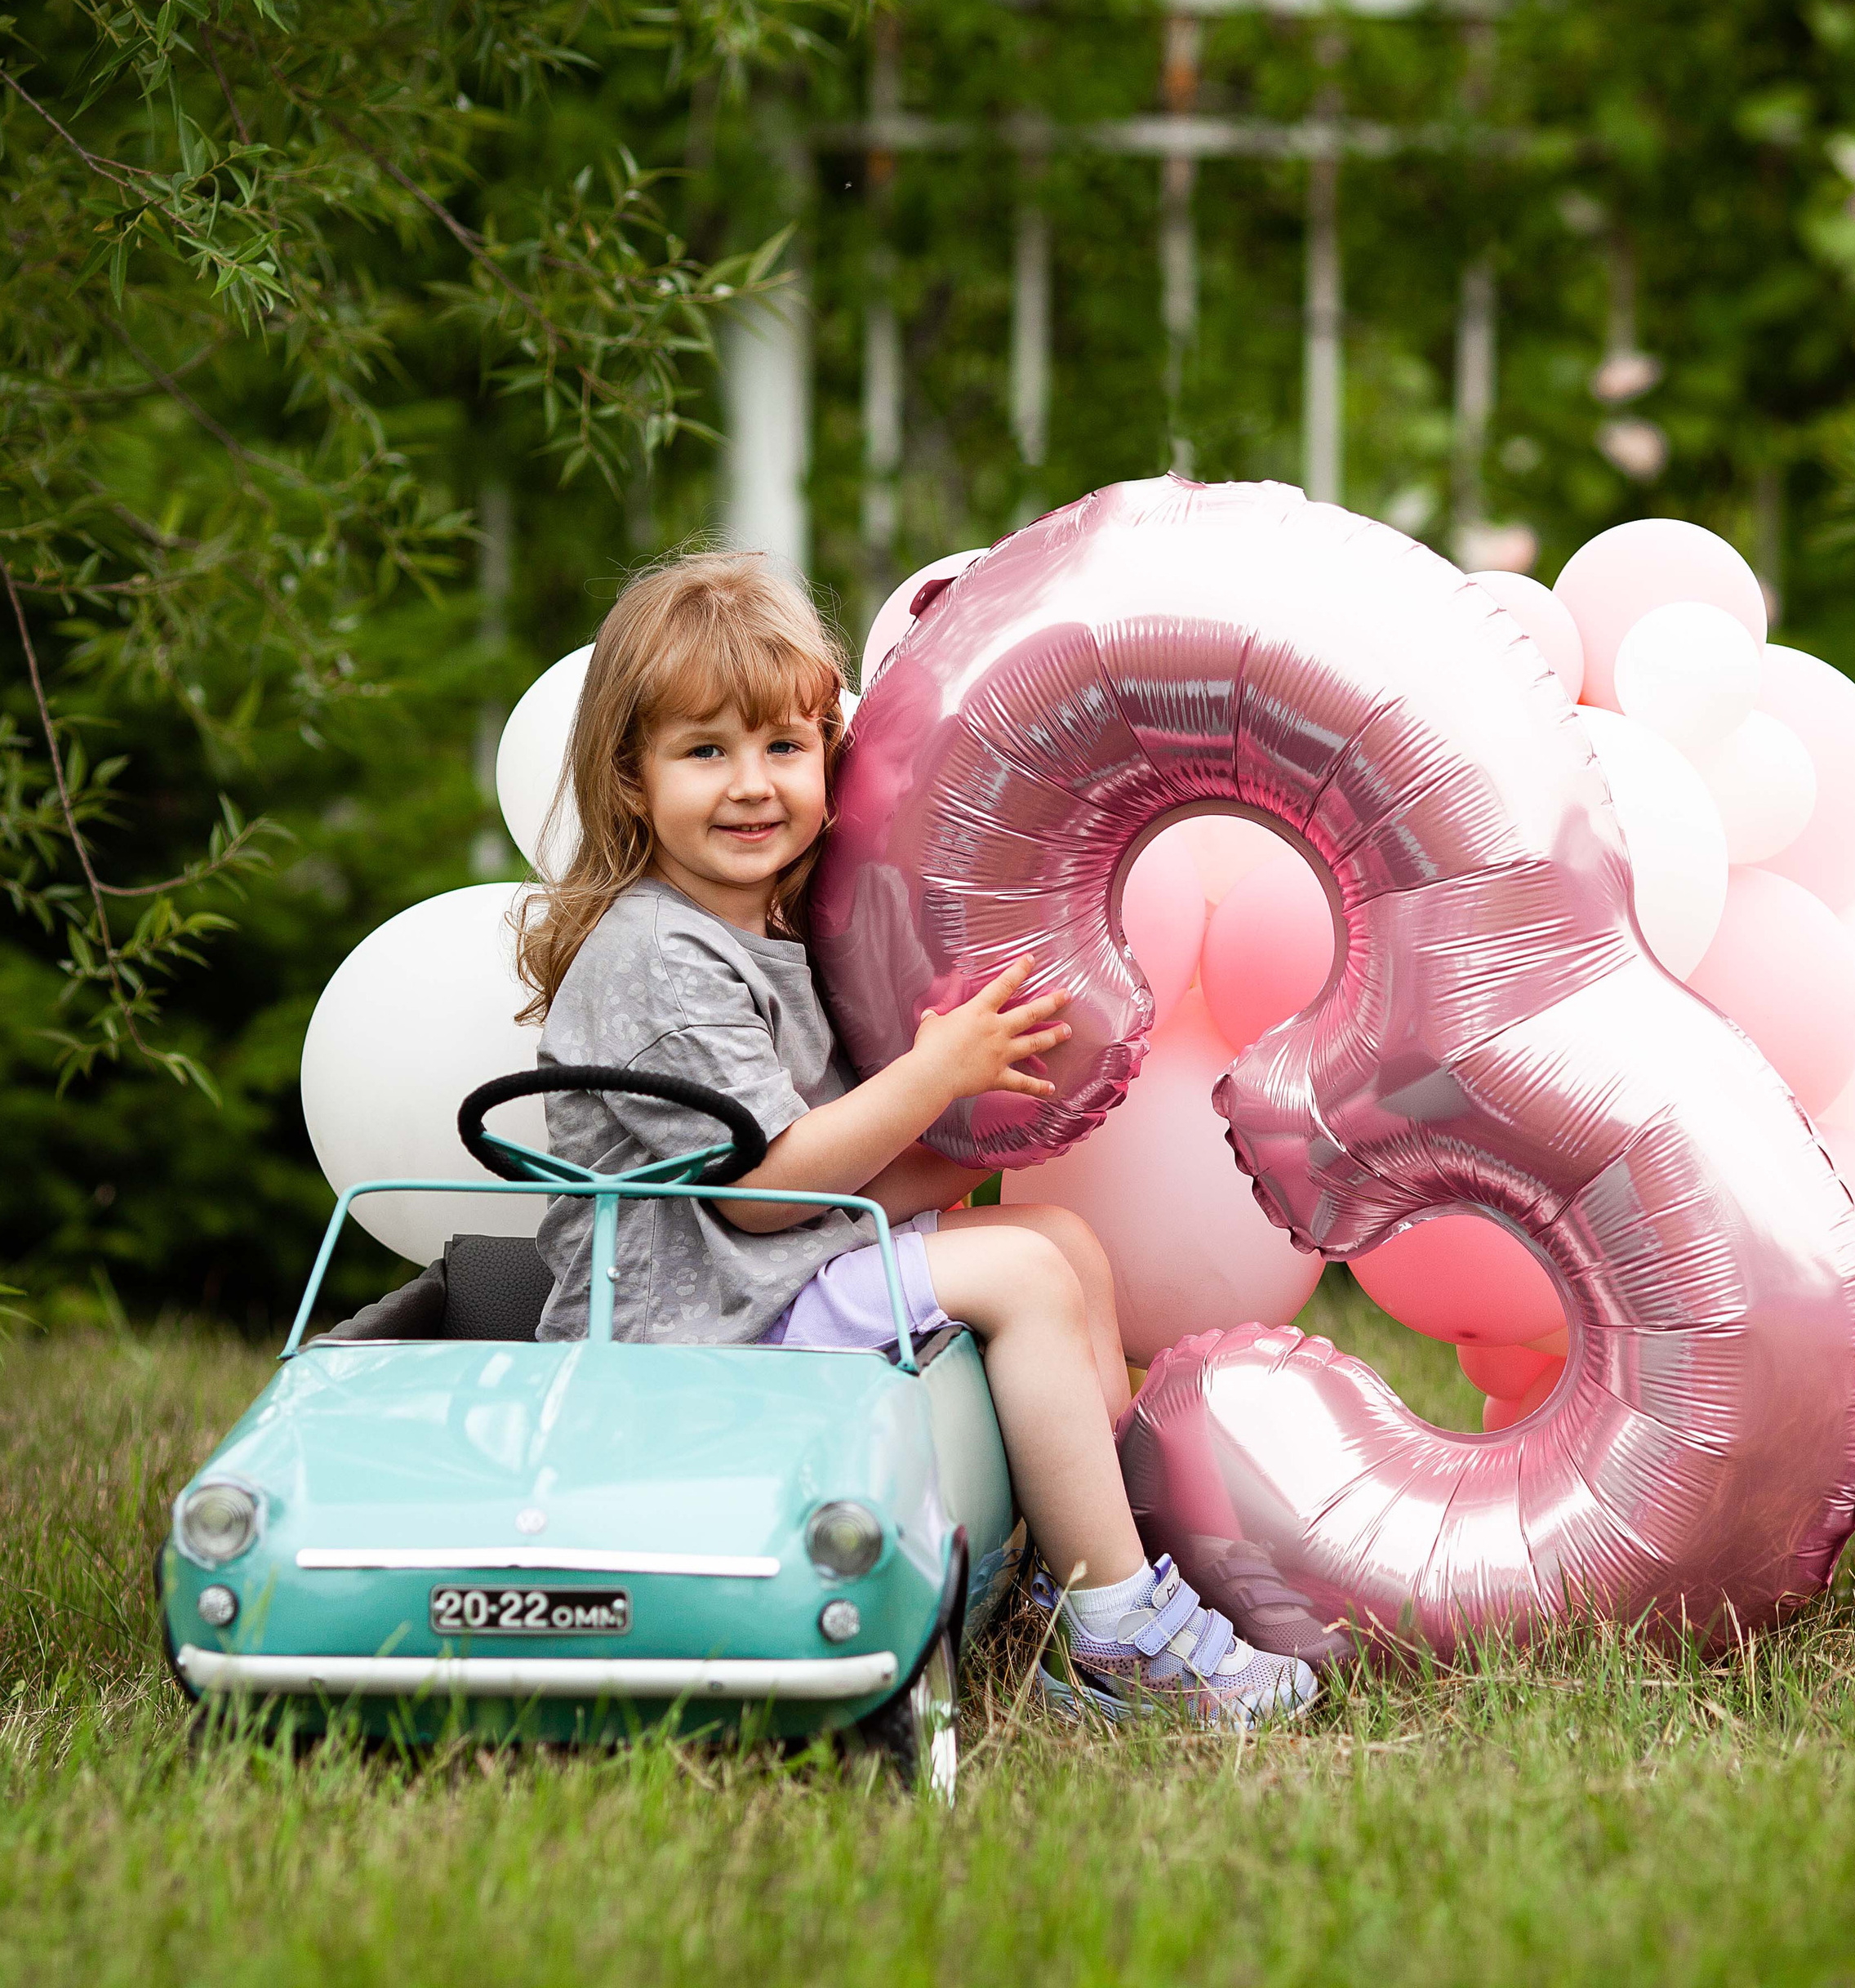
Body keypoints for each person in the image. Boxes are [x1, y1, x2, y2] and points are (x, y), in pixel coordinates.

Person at [513, 546, 1318, 1728]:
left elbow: (835, 1185)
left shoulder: (762, 934)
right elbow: (761, 1200)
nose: (751, 784)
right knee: (1027, 1270)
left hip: (762, 1292)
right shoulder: (660, 956)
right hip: (692, 1344)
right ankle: (1119, 1636)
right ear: (631, 781)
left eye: (784, 748)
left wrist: (1004, 1127)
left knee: (1060, 1240)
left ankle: (1070, 1581)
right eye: (704, 751)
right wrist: (939, 1073)